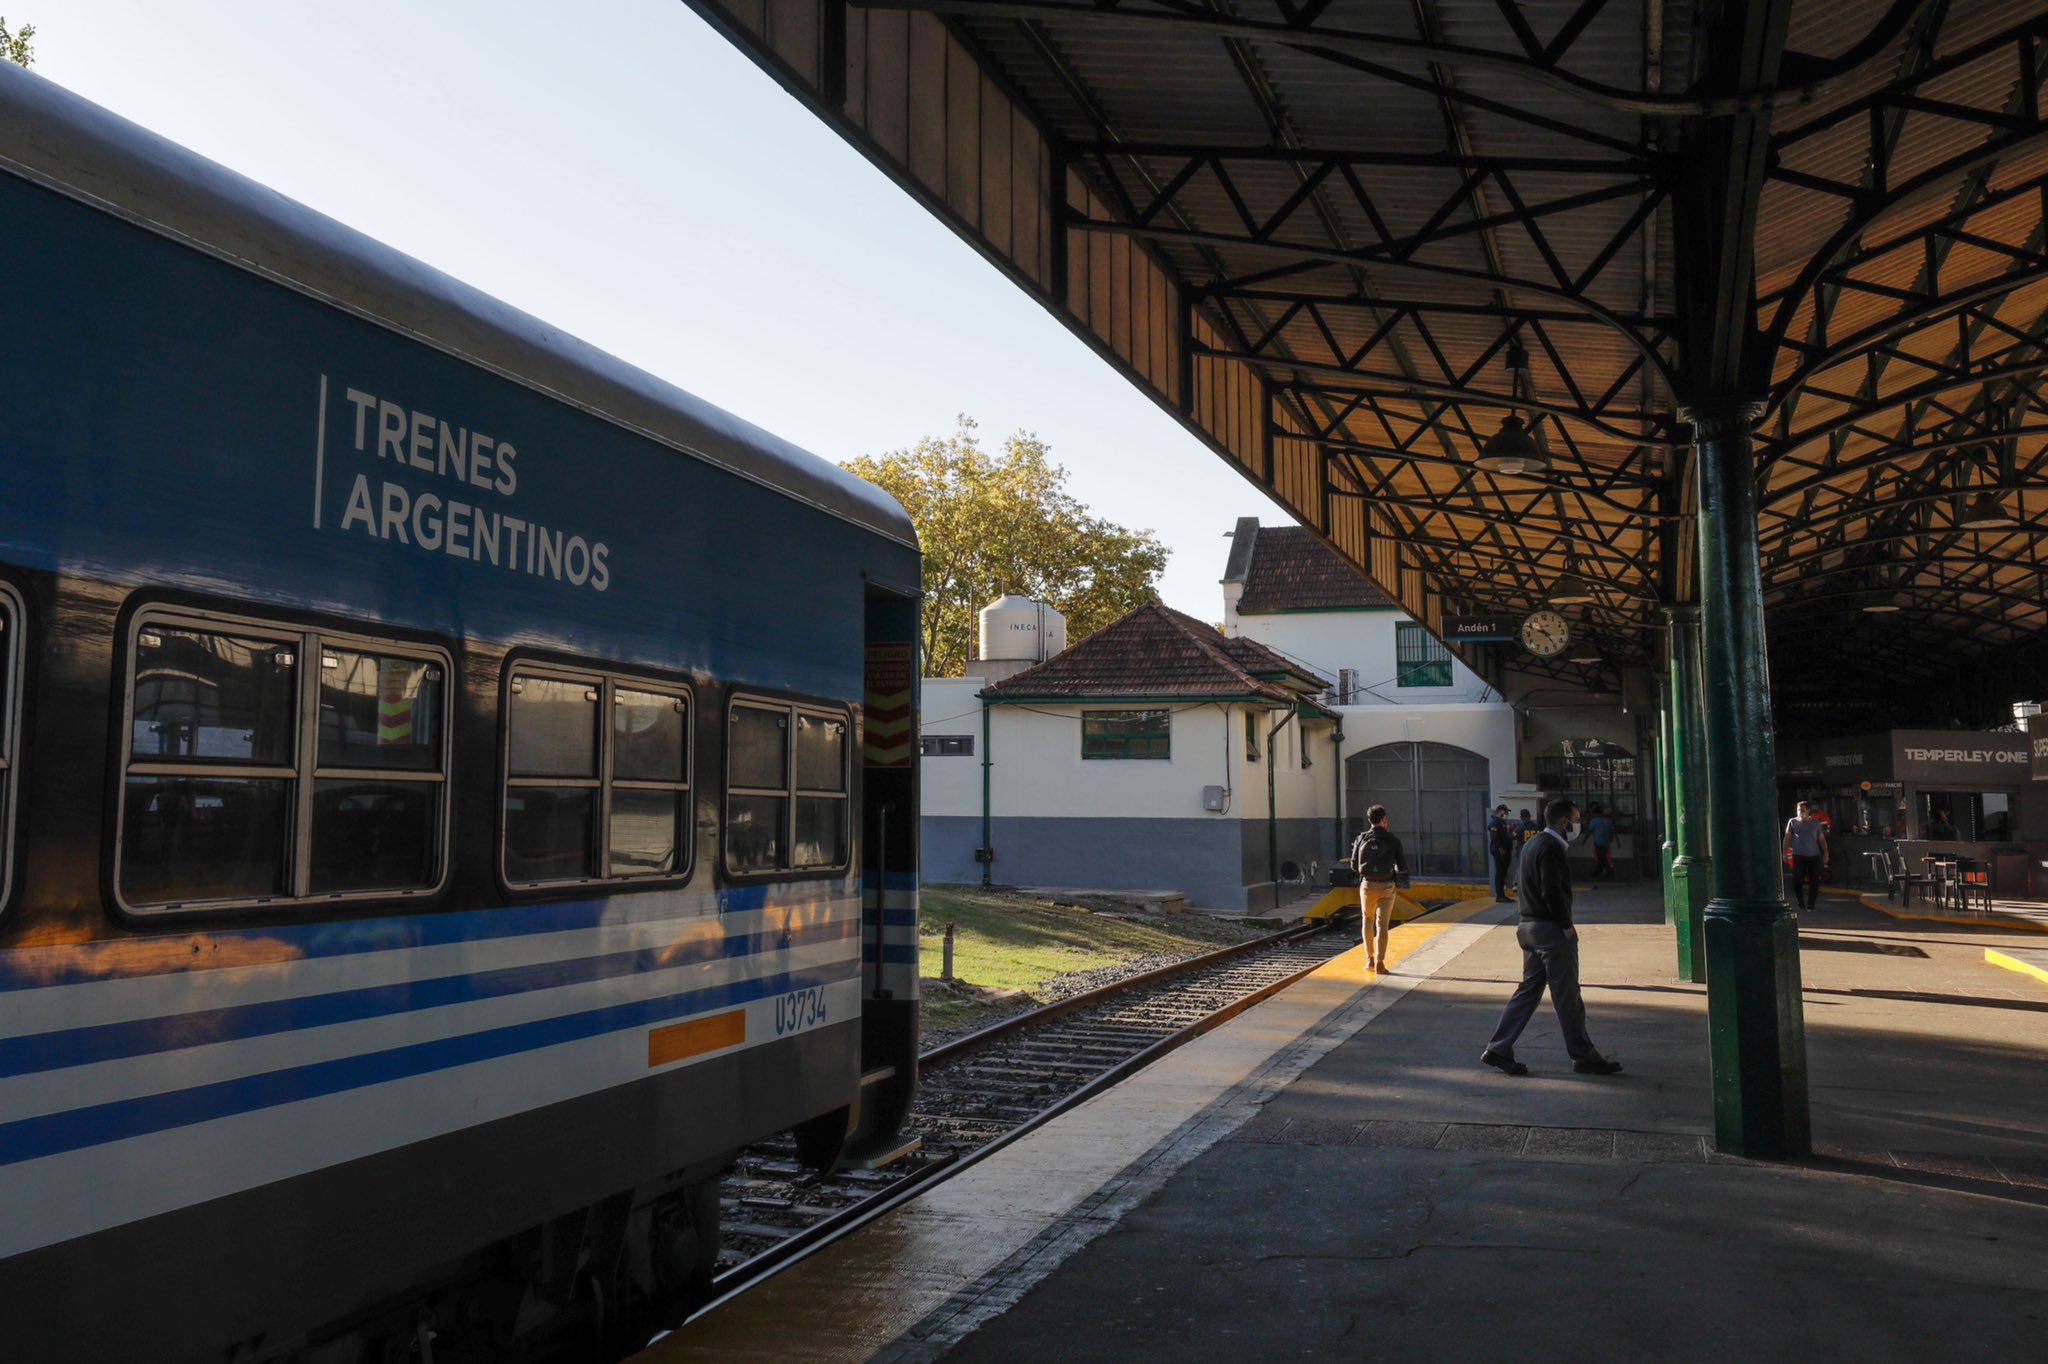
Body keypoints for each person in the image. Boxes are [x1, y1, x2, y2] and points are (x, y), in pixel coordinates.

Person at [1479, 797, 1622, 1077]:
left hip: (1527, 927)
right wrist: (1565, 924)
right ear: (1564, 822)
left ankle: (1498, 1048)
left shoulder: (1532, 844)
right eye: (1577, 820)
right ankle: (1584, 1056)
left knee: (1528, 991)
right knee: (1567, 995)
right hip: (1550, 931)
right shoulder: (1552, 847)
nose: (1579, 825)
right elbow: (1551, 890)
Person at [1350, 804, 1406, 974]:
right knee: (1382, 925)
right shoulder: (1393, 840)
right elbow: (1402, 867)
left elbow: (1354, 865)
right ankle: (1380, 964)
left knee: (1367, 920)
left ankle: (1369, 960)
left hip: (1367, 885)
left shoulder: (1361, 839)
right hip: (1387, 886)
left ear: (1369, 821)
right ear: (1384, 820)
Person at [1783, 800, 1829, 911]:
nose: (1800, 812)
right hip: (1798, 855)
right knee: (1797, 879)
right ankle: (1800, 902)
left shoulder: (1815, 823)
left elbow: (1822, 839)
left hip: (1814, 855)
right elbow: (1787, 837)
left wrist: (1826, 853)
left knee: (1814, 881)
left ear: (1808, 810)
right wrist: (1784, 852)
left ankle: (1811, 905)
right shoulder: (1792, 822)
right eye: (1798, 810)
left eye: (1802, 810)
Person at [1486, 803, 1516, 902]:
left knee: (1502, 873)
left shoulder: (1502, 822)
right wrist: (1500, 849)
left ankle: (1502, 895)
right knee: (1500, 873)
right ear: (1500, 812)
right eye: (1505, 812)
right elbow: (1495, 838)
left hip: (1505, 850)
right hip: (1500, 852)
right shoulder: (1494, 822)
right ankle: (1500, 896)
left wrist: (1510, 829)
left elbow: (1505, 836)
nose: (1507, 814)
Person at [1585, 802, 1615, 881]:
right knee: (1601, 857)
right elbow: (1612, 830)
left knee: (1602, 858)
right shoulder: (1607, 820)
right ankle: (1597, 871)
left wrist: (1584, 840)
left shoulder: (1594, 821)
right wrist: (1611, 838)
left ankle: (1609, 872)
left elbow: (1589, 831)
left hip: (1598, 842)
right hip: (1606, 842)